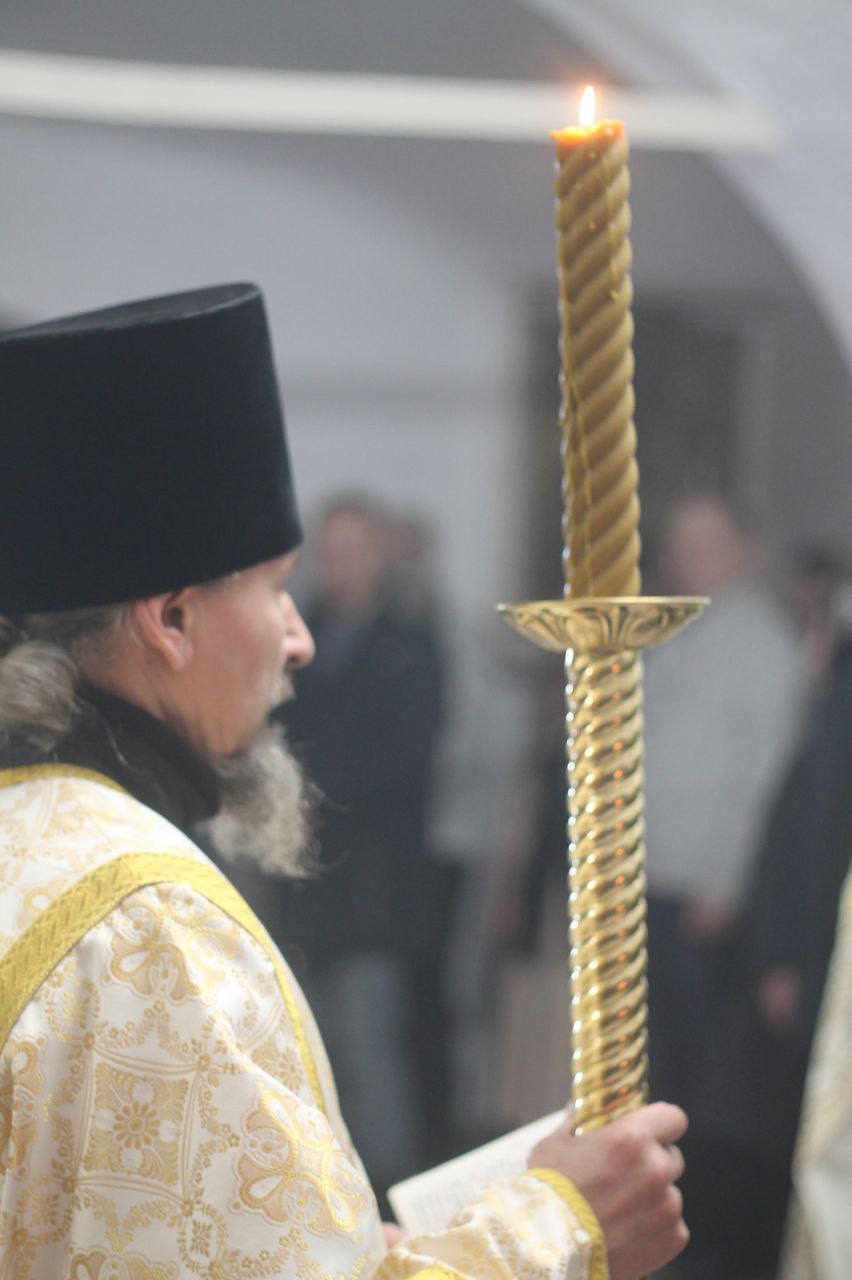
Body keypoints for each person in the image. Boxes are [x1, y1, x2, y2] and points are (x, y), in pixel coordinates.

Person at [0, 283, 688, 1279]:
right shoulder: (146, 925)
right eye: (278, 587)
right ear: (173, 620)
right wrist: (565, 1223)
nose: (300, 637)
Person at [641, 494, 801, 1114]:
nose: (691, 556)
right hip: (653, 879)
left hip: (705, 894)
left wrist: (722, 882)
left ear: (742, 551)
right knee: (657, 1057)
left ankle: (702, 1170)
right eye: (681, 542)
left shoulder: (761, 643)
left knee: (705, 1065)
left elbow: (763, 779)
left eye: (707, 542)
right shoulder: (673, 630)